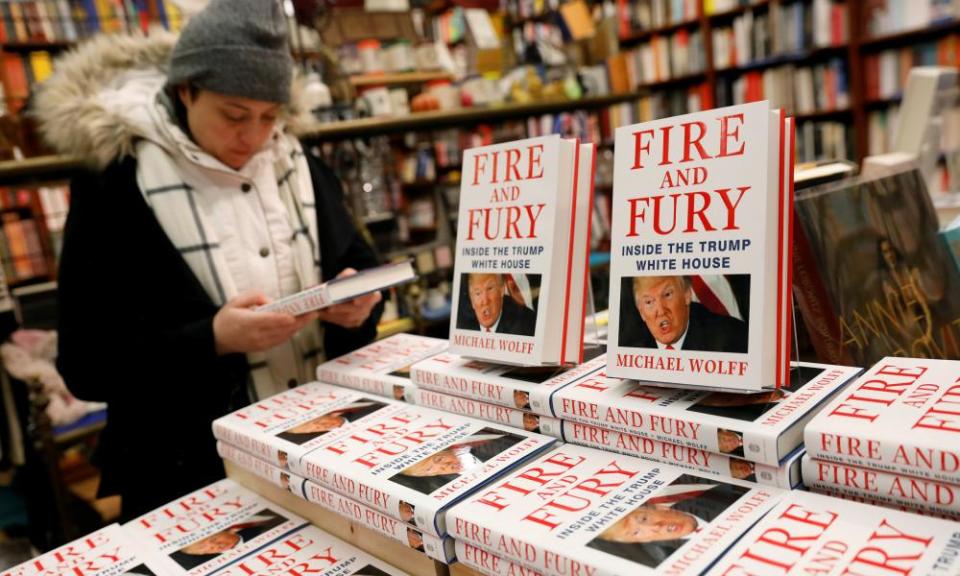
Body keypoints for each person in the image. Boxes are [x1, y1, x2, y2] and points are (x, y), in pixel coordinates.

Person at [37, 0, 383, 520]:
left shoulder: (296, 160)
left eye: (270, 116)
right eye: (233, 115)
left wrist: (360, 301)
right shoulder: (116, 182)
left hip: (327, 449)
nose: (254, 136)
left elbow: (362, 267)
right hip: (191, 478)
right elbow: (86, 365)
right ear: (186, 91)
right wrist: (214, 339)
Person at [621, 276, 748, 353]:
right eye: (649, 302)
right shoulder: (631, 347)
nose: (660, 311)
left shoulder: (729, 341)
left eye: (667, 295)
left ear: (687, 294)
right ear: (641, 311)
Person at [457, 273, 536, 336]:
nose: (485, 301)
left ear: (501, 290)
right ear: (472, 301)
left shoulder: (524, 326)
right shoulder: (463, 328)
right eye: (478, 293)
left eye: (490, 289)